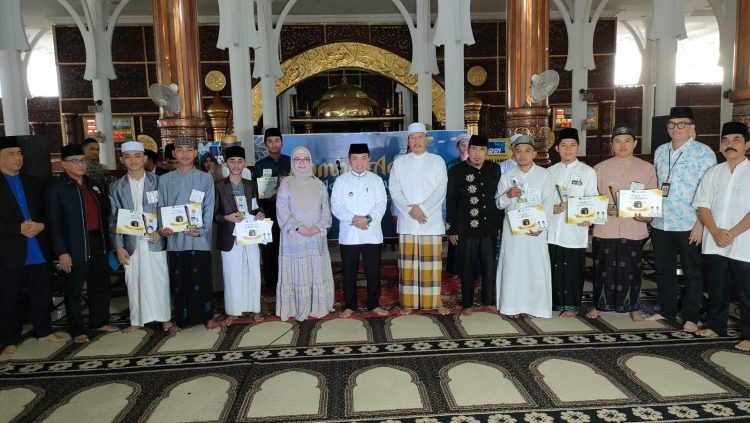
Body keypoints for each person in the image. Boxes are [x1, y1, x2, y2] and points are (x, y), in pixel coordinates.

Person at [646, 106, 717, 332]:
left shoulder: (704, 153)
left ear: (692, 127)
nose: (676, 128)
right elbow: (657, 186)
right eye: (672, 124)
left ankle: (691, 316)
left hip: (689, 223)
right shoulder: (660, 151)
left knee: (692, 272)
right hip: (661, 222)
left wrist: (701, 223)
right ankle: (666, 310)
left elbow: (710, 192)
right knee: (664, 270)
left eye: (682, 124)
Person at [46, 144, 118, 343]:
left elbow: (105, 216)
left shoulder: (93, 184)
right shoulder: (56, 189)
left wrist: (109, 244)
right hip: (74, 245)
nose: (80, 165)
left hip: (98, 242)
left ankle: (100, 321)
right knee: (74, 289)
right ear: (63, 164)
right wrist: (61, 251)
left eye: (82, 160)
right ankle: (77, 329)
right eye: (74, 161)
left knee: (100, 284)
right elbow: (54, 223)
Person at [0, 137, 64, 356]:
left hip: (36, 245)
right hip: (9, 249)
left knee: (40, 291)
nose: (17, 158)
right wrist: (14, 228)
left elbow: (48, 212)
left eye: (19, 153)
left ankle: (43, 329)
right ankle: (9, 338)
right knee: (9, 295)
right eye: (11, 154)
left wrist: (41, 225)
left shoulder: (34, 182)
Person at [588, 125, 656, 321]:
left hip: (633, 227)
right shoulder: (600, 168)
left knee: (632, 270)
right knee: (603, 269)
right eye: (618, 141)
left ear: (635, 143)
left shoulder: (647, 168)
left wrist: (647, 216)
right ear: (612, 145)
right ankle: (599, 305)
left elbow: (651, 200)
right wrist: (604, 208)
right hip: (606, 227)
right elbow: (591, 199)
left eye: (627, 141)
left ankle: (633, 306)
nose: (623, 145)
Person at [694, 122, 750, 351]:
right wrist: (716, 232)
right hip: (715, 240)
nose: (730, 145)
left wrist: (732, 233)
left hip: (744, 242)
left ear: (747, 144)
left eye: (736, 140)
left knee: (747, 291)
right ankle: (716, 325)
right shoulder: (713, 172)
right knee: (717, 287)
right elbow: (702, 206)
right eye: (726, 140)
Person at [108, 141, 173, 333]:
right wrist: (118, 246)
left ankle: (165, 318)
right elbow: (113, 220)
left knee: (160, 279)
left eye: (137, 156)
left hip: (155, 240)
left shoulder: (159, 182)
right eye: (128, 157)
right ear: (122, 160)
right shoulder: (115, 187)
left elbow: (165, 210)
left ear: (145, 158)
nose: (133, 160)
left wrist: (161, 230)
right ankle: (136, 319)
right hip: (131, 242)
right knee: (133, 279)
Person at [158, 137, 218, 334]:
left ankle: (207, 317)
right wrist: (163, 227)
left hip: (198, 238)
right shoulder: (165, 180)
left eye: (189, 150)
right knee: (180, 281)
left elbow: (209, 207)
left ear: (195, 153)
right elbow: (161, 207)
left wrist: (202, 229)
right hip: (175, 240)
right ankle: (181, 320)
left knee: (202, 279)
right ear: (174, 153)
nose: (184, 153)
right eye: (180, 150)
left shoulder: (205, 178)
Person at [389, 122, 449, 315]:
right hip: (408, 221)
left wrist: (421, 209)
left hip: (429, 220)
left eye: (420, 137)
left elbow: (441, 189)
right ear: (408, 141)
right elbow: (394, 190)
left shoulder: (437, 160)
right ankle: (407, 302)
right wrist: (410, 211)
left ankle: (433, 302)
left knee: (431, 266)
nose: (416, 141)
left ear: (426, 139)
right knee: (407, 266)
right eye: (412, 138)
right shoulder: (400, 162)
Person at [495, 134, 556, 318]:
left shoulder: (544, 175)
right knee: (513, 267)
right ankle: (511, 307)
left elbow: (548, 204)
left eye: (527, 151)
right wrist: (508, 195)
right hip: (513, 233)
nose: (522, 155)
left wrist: (540, 227)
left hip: (535, 232)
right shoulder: (507, 176)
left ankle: (536, 307)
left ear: (534, 153)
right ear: (513, 153)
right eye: (518, 151)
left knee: (535, 267)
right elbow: (498, 203)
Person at [275, 146, 334, 321]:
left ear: (310, 161)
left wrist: (319, 226)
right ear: (292, 162)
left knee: (315, 268)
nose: (301, 163)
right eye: (297, 159)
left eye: (305, 159)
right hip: (294, 237)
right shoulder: (286, 184)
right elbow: (282, 210)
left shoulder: (319, 184)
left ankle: (317, 305)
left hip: (315, 236)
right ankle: (296, 307)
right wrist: (299, 228)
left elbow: (326, 211)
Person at [331, 143, 389, 318]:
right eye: (355, 158)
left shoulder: (376, 180)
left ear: (369, 160)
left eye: (363, 158)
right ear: (349, 160)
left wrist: (367, 219)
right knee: (349, 271)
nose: (359, 163)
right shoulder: (341, 181)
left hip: (372, 233)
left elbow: (381, 204)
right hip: (349, 234)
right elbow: (336, 206)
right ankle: (350, 305)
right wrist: (355, 220)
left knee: (373, 271)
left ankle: (374, 304)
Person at [446, 135, 501, 315]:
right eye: (474, 150)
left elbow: (498, 198)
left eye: (482, 150)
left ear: (487, 152)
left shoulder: (495, 169)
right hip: (465, 228)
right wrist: (452, 229)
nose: (478, 154)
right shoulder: (456, 171)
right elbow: (451, 201)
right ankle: (467, 304)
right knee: (467, 266)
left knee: (489, 265)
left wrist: (499, 224)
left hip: (489, 226)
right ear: (468, 150)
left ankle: (489, 300)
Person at [547, 128, 598, 317]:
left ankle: (572, 306)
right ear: (557, 148)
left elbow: (592, 198)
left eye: (572, 146)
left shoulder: (587, 172)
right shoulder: (550, 172)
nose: (568, 150)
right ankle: (553, 303)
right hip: (553, 230)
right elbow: (543, 200)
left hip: (574, 230)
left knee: (573, 269)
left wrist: (589, 219)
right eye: (563, 146)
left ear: (578, 147)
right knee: (553, 268)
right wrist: (551, 208)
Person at [215, 145, 265, 324]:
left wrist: (261, 213)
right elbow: (215, 216)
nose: (236, 165)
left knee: (253, 271)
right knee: (232, 273)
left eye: (240, 161)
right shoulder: (219, 186)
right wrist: (226, 217)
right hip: (230, 236)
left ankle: (255, 309)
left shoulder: (250, 185)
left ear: (244, 163)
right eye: (232, 161)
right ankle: (233, 311)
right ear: (226, 163)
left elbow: (257, 206)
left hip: (250, 235)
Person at [252, 128, 291, 289]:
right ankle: (271, 282)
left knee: (288, 244)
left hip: (289, 212)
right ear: (264, 144)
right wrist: (259, 209)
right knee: (270, 247)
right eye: (270, 141)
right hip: (269, 211)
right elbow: (256, 193)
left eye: (277, 140)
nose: (274, 144)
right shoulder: (260, 165)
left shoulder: (291, 161)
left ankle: (289, 279)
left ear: (282, 142)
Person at [446, 134, 471, 280]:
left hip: (472, 205)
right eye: (462, 143)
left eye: (468, 143)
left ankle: (474, 270)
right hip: (456, 205)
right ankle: (455, 269)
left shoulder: (477, 162)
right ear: (457, 146)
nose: (465, 146)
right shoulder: (451, 164)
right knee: (456, 237)